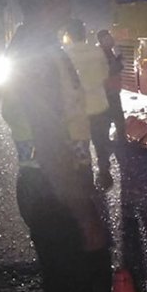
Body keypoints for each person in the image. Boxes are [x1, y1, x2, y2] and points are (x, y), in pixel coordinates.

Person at [0, 0, 111, 292]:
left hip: (46, 185)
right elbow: (49, 141)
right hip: (53, 189)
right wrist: (84, 215)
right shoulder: (39, 54)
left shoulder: (37, 47)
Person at [63, 19, 114, 191]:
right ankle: (105, 173)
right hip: (99, 105)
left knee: (81, 147)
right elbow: (105, 74)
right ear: (84, 33)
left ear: (68, 35)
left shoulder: (64, 55)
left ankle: (86, 181)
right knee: (101, 142)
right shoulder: (96, 51)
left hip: (78, 111)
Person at [96, 29, 127, 147]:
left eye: (110, 36)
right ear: (102, 40)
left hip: (111, 88)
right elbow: (111, 70)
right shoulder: (102, 53)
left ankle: (111, 139)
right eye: (108, 38)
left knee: (111, 115)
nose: (111, 39)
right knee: (115, 115)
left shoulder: (108, 51)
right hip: (108, 89)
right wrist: (119, 59)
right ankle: (117, 140)